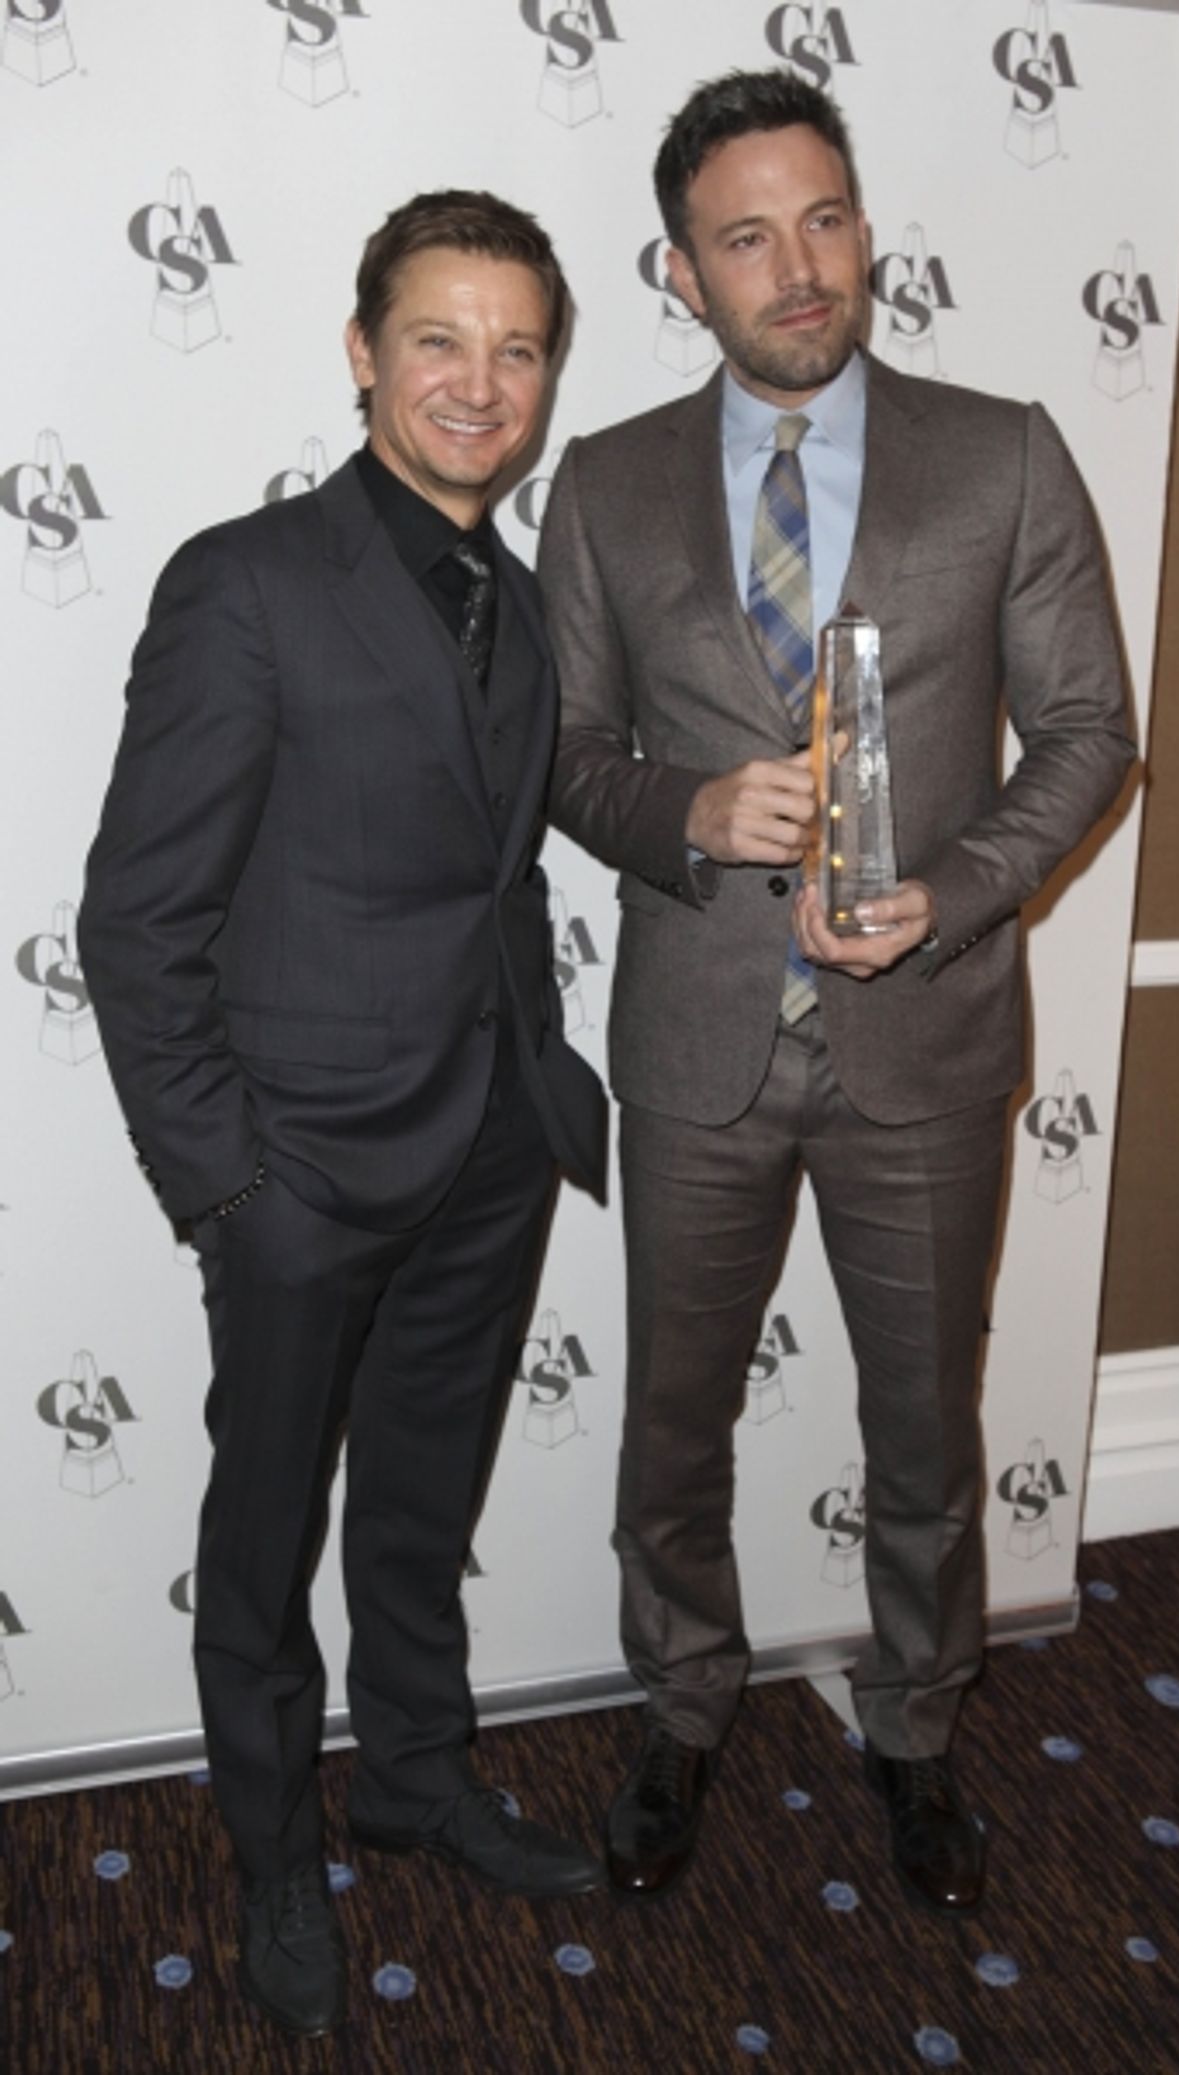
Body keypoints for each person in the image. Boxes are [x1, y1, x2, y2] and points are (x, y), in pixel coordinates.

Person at [538, 70, 1134, 1915]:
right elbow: (561, 755)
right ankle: (683, 1708)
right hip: (700, 1046)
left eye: (825, 219)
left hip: (928, 1041)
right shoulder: (610, 481)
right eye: (746, 237)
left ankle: (921, 1730)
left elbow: (1092, 735)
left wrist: (951, 896)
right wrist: (689, 811)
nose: (798, 269)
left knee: (922, 1429)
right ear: (680, 269)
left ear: (863, 225)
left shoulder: (1005, 451)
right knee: (672, 1418)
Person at [80, 189, 608, 2039]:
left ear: (548, 369)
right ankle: (273, 1850)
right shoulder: (248, 581)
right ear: (366, 349)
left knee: (417, 1503)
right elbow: (137, 921)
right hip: (300, 1166)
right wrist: (231, 1188)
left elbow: (503, 849)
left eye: (517, 345)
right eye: (440, 339)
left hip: (488, 1144)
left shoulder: (520, 594)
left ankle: (414, 1773)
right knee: (263, 1529)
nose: (479, 383)